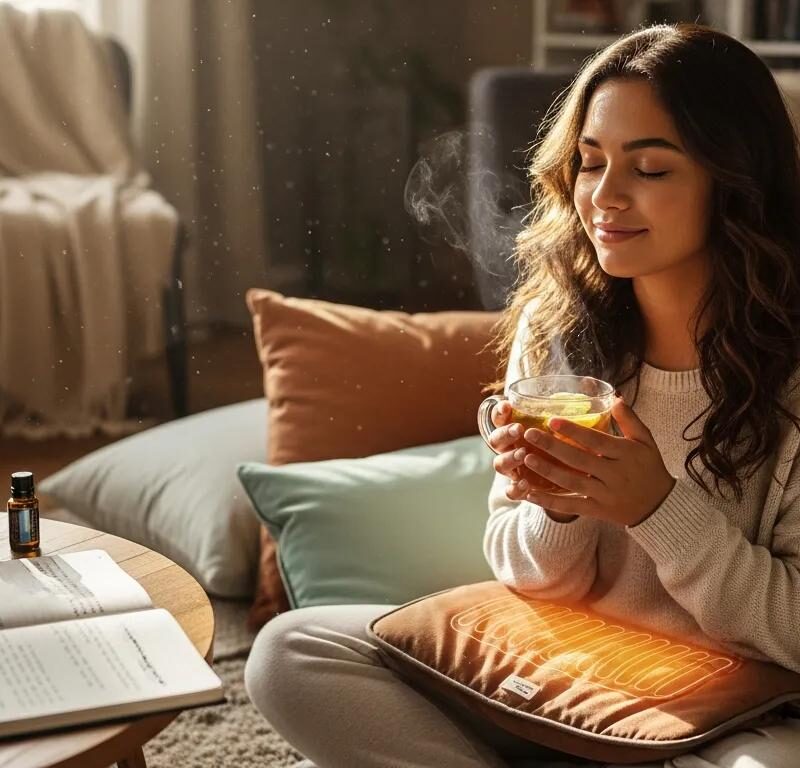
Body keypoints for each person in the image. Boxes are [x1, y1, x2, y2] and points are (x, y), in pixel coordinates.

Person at [244, 23, 800, 767]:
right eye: (591, 162)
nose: (605, 196)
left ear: (735, 183)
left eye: (652, 169)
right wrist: (560, 505)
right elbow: (524, 572)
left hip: (722, 711)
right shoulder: (560, 324)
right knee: (293, 650)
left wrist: (657, 509)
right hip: (565, 672)